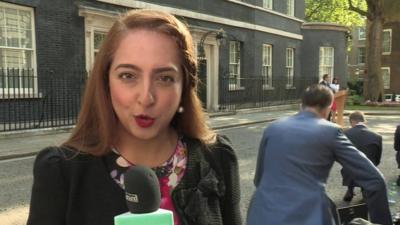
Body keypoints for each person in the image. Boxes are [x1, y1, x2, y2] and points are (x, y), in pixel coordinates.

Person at [27, 9, 241, 225]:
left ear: (185, 86)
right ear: (105, 81)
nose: (146, 98)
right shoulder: (61, 171)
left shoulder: (218, 157)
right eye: (128, 75)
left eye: (165, 78)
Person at [247, 85, 392, 225]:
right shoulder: (331, 131)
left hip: (262, 212)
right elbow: (374, 180)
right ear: (328, 109)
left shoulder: (273, 128)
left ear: (301, 105)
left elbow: (259, 179)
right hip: (307, 215)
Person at [341, 111, 382, 202]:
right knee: (369, 164)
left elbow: (341, 154)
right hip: (368, 167)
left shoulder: (345, 134)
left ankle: (350, 190)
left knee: (348, 165)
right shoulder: (377, 136)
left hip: (350, 168)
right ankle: (365, 191)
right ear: (364, 121)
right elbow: (377, 157)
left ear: (352, 121)